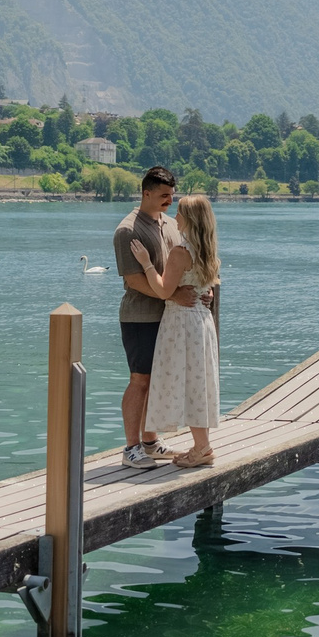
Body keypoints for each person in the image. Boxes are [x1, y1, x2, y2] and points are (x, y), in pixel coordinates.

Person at [114, 167, 201, 466]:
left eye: (171, 196)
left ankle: (150, 441)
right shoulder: (128, 230)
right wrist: (173, 294)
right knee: (140, 380)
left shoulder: (169, 223)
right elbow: (133, 279)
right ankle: (130, 448)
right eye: (164, 196)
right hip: (139, 317)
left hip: (168, 316)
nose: (169, 201)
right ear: (146, 193)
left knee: (157, 380)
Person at [139, 193, 222, 467]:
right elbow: (207, 287)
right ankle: (201, 445)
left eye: (180, 213)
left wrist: (146, 264)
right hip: (202, 322)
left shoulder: (180, 253)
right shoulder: (207, 251)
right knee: (199, 382)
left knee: (188, 383)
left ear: (189, 219)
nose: (175, 216)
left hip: (181, 322)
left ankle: (202, 448)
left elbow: (163, 290)